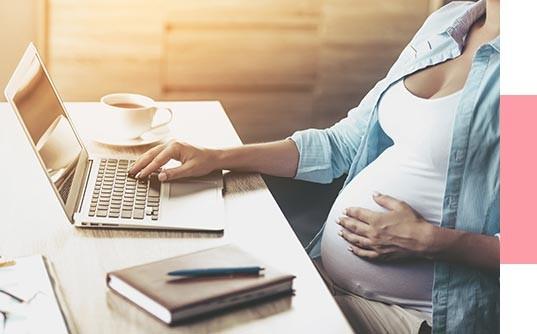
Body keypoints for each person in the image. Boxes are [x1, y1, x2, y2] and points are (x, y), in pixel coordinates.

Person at [129, 0, 499, 332]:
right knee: (176, 293)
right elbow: (341, 143)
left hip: (416, 315)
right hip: (329, 274)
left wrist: (428, 241)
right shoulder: (449, 23)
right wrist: (219, 158)